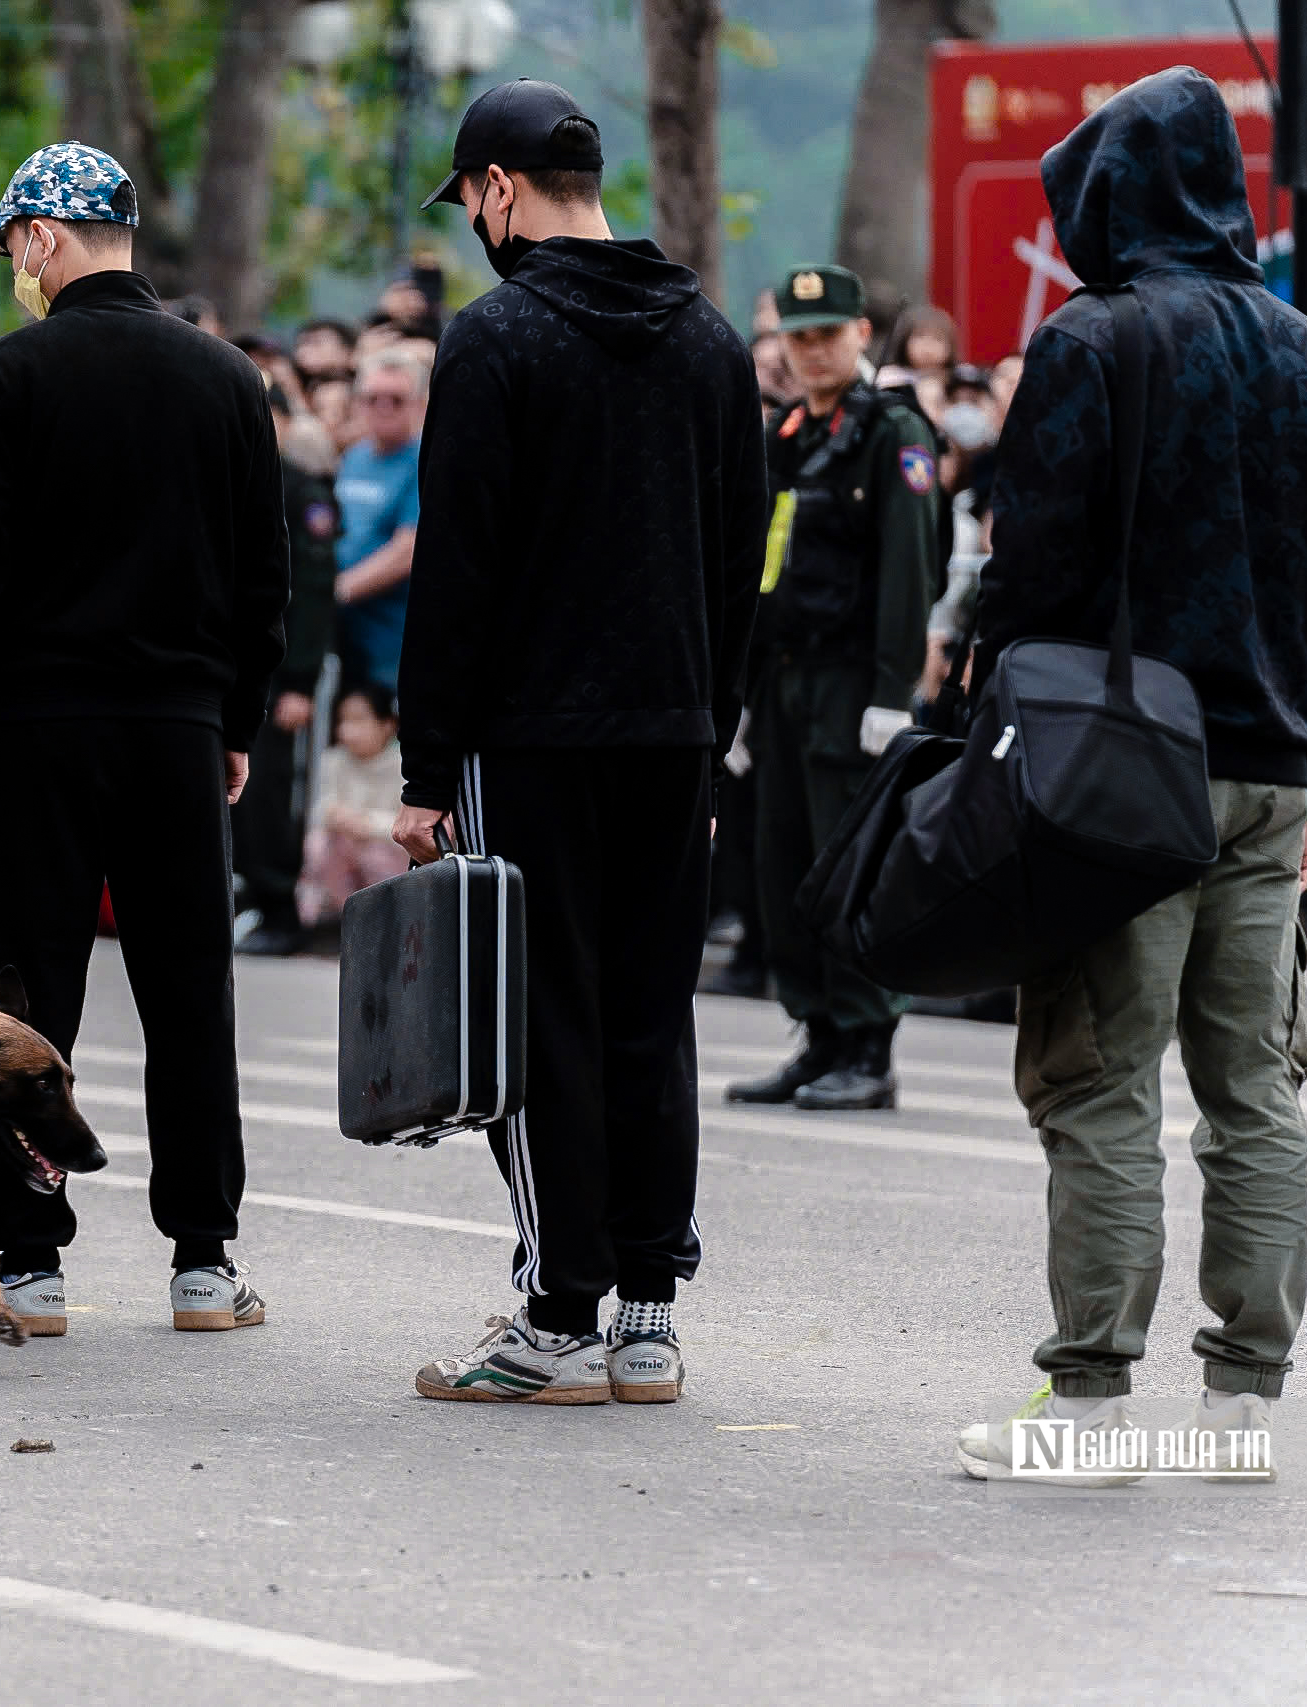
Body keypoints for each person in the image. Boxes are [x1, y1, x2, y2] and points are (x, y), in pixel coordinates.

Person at [954, 69, 1307, 1472]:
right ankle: (1246, 1394)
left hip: (1118, 767)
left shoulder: (1098, 339)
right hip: (1274, 775)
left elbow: (1036, 565)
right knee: (1254, 1082)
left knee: (1100, 1071)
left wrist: (981, 726)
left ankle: (1088, 1400)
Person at [391, 78, 765, 1406]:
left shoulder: (497, 341)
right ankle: (650, 1312)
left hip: (533, 734)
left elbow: (460, 572)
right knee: (651, 1015)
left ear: (496, 188)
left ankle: (555, 1308)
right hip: (672, 729)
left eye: (471, 199)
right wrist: (717, 736)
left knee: (541, 1020)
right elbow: (738, 565)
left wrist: (427, 769)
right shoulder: (713, 341)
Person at [0, 142, 289, 1337]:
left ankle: (31, 1257)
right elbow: (264, 581)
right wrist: (235, 721)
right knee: (186, 993)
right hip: (173, 728)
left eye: (13, 242)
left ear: (45, 237)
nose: (13, 263)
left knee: (26, 996)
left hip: (44, 727)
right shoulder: (227, 381)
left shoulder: (9, 378)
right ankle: (203, 1258)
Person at [722, 263, 940, 1114]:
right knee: (784, 867)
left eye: (827, 334)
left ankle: (867, 1040)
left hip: (853, 682)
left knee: (848, 867)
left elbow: (907, 571)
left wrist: (892, 691)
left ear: (859, 335)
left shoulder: (893, 434)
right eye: (797, 336)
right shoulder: (785, 439)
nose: (811, 351)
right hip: (782, 682)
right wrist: (735, 692)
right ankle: (815, 1030)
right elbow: (756, 569)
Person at [235, 385, 342, 956]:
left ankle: (280, 906)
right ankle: (254, 896)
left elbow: (314, 593)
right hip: (229, 667)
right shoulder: (230, 479)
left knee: (268, 795)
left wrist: (298, 680)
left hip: (277, 674)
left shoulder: (300, 489)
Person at [333, 349, 424, 691]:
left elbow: (408, 550)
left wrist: (335, 592)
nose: (382, 407)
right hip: (345, 633)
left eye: (396, 399)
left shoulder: (424, 461)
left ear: (419, 403)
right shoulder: (355, 456)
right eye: (372, 398)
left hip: (392, 640)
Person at [294, 681, 407, 926]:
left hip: (389, 852)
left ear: (387, 725)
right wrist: (335, 817)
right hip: (346, 846)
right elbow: (323, 809)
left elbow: (406, 822)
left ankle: (390, 919)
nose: (347, 730)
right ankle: (350, 918)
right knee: (318, 844)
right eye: (344, 721)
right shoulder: (334, 760)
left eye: (359, 720)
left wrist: (365, 824)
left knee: (373, 853)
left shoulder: (403, 764)